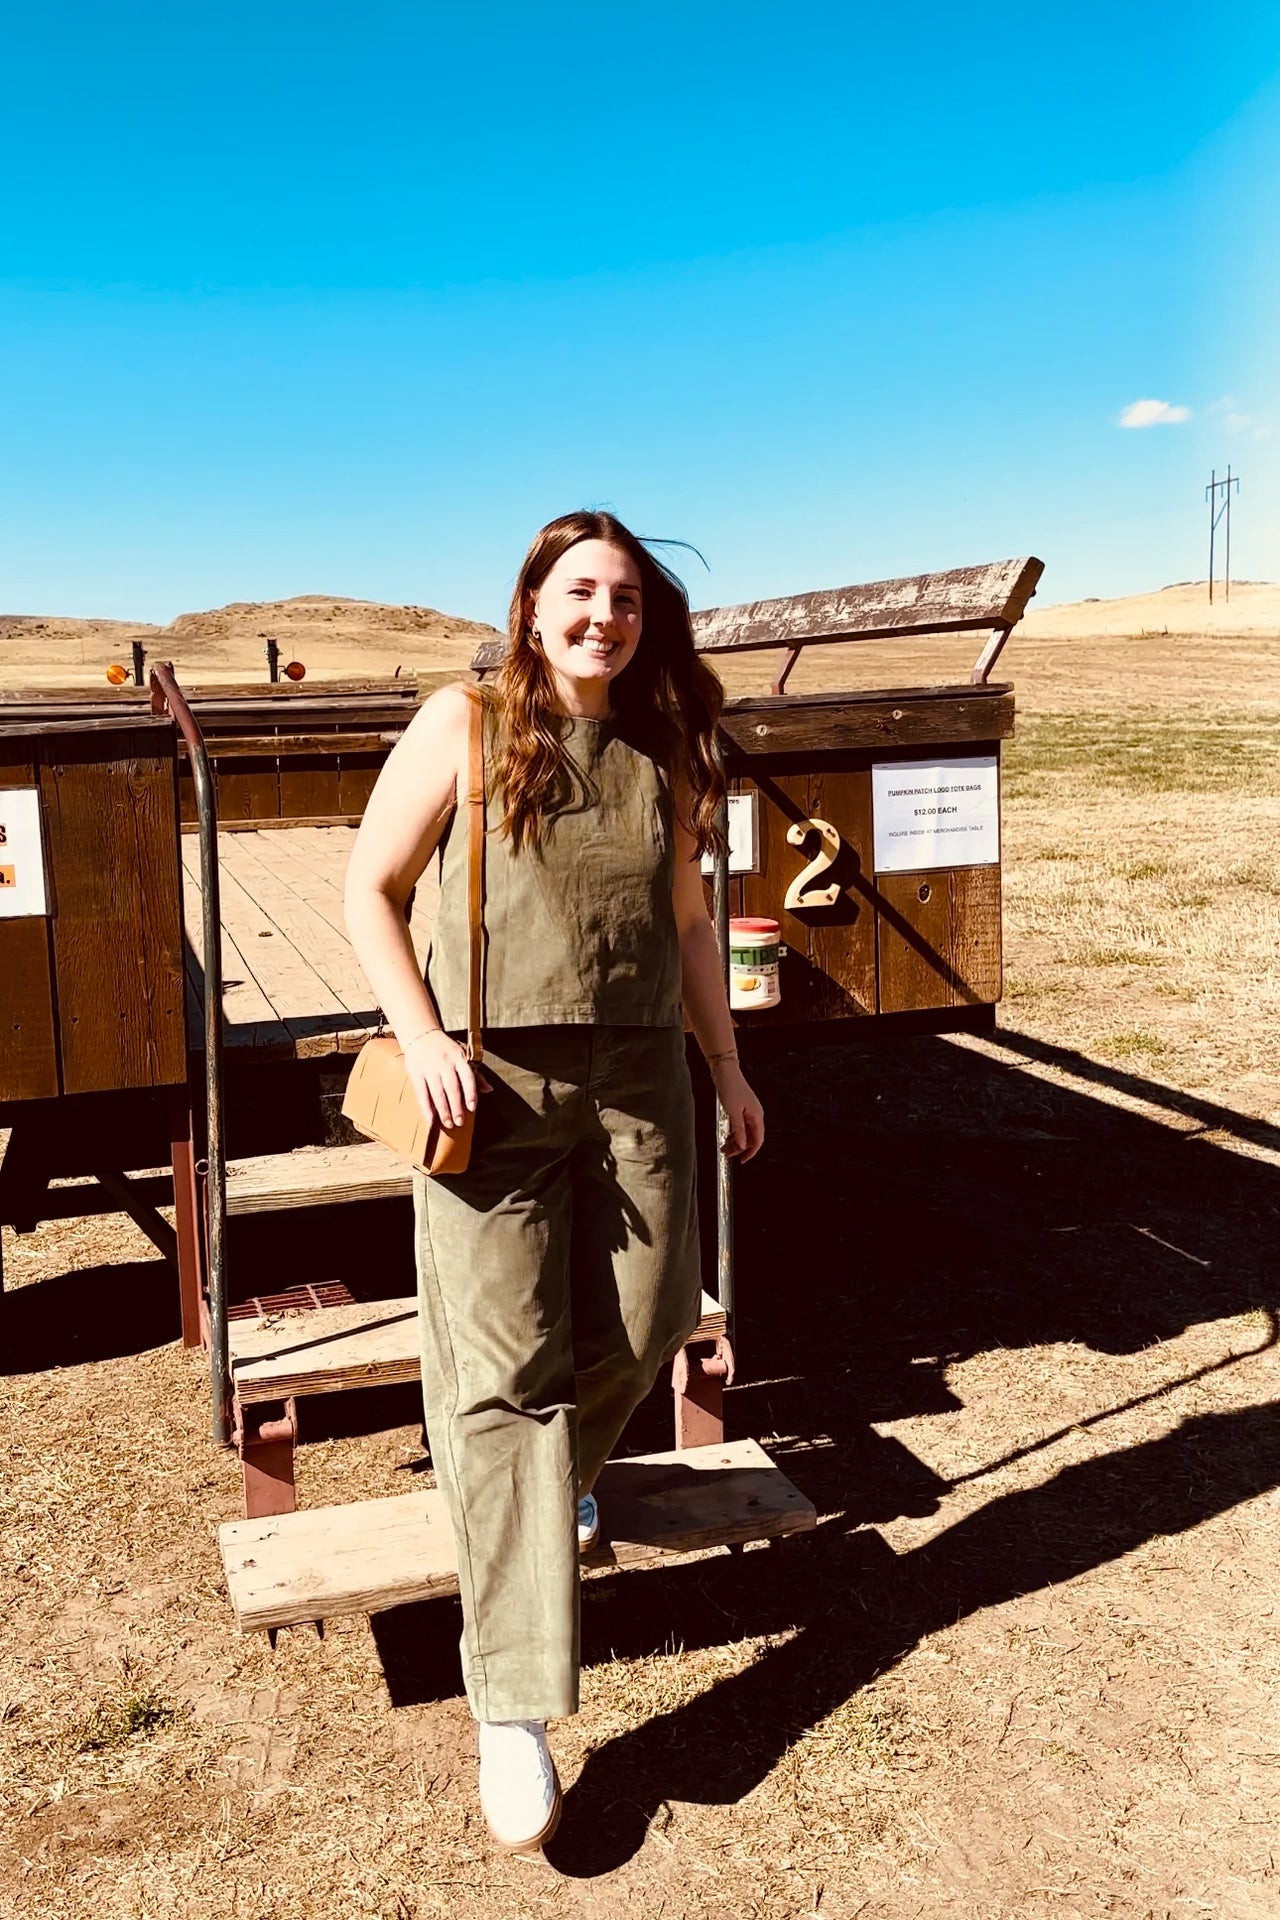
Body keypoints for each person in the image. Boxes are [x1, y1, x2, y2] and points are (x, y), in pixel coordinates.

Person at [344, 510, 764, 1854]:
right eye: (580, 591)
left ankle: (534, 1493)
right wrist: (416, 1040)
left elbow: (691, 926)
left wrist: (733, 1072)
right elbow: (370, 887)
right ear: (532, 606)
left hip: (641, 1078)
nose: (605, 615)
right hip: (491, 1082)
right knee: (505, 1374)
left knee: (649, 1319)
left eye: (628, 596)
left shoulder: (670, 747)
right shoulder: (463, 724)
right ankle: (512, 1703)